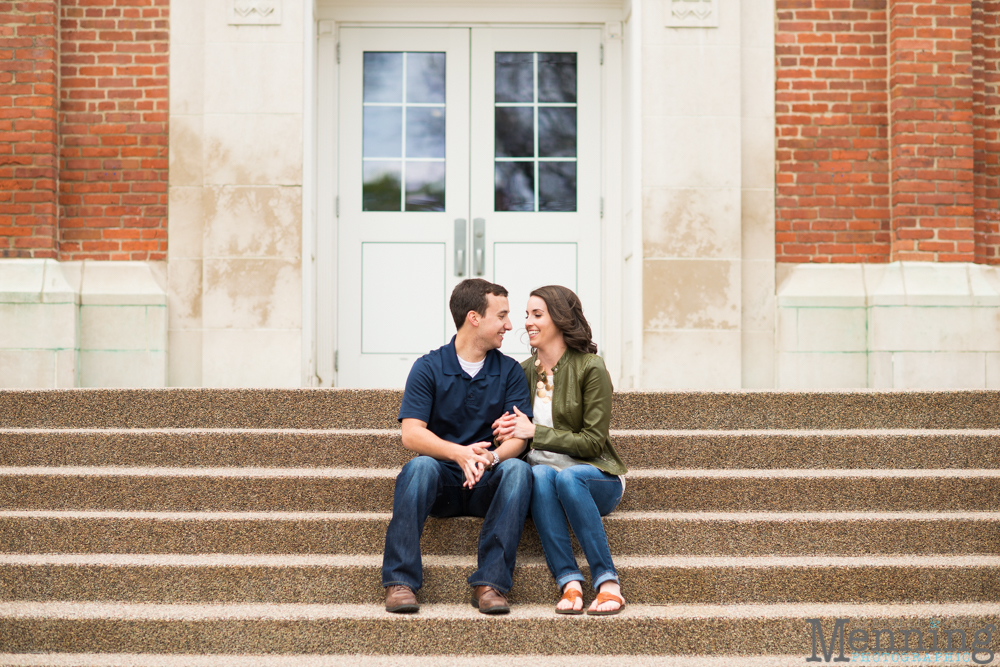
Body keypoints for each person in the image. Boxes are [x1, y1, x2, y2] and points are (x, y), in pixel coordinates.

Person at [382, 278, 534, 615]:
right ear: (474, 318)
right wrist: (459, 453)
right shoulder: (429, 367)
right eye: (502, 316)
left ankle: (491, 583)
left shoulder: (509, 371)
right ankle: (400, 581)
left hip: (488, 480)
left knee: (519, 470)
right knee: (419, 467)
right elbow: (411, 434)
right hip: (444, 483)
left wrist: (491, 455)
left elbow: (519, 438)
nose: (510, 325)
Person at [493, 285, 629, 615]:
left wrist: (534, 432)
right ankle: (569, 583)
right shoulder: (523, 372)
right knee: (538, 473)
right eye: (526, 315)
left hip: (595, 476)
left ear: (561, 319)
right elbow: (516, 431)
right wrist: (504, 432)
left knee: (568, 478)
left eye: (537, 314)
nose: (527, 322)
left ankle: (608, 584)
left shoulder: (590, 368)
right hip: (545, 479)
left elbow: (593, 442)